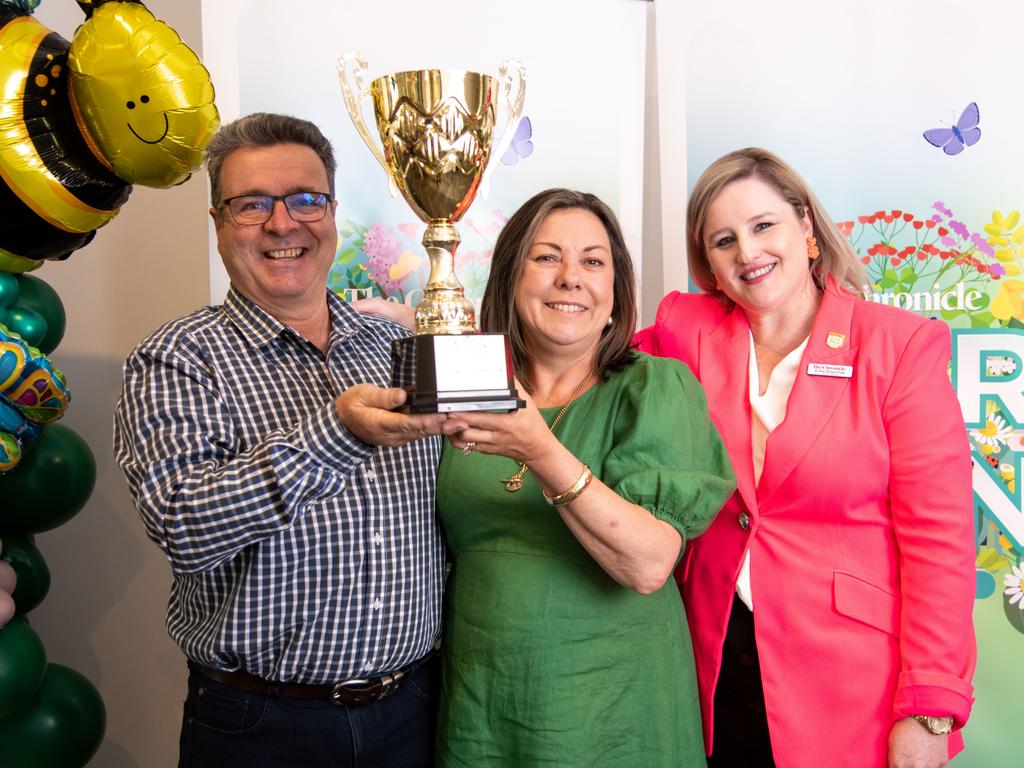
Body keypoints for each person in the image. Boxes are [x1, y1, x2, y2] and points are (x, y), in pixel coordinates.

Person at [113, 113, 463, 768]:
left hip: (414, 710)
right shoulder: (176, 358)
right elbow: (184, 527)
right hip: (262, 728)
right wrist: (336, 433)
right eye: (252, 205)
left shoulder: (397, 347)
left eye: (305, 200)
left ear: (330, 212)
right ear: (218, 223)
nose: (282, 224)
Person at [365, 188, 736, 766]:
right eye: (546, 257)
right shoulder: (467, 392)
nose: (571, 278)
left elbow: (648, 564)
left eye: (593, 261)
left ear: (616, 292)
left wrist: (541, 450)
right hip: (484, 704)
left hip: (616, 711)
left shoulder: (657, 388)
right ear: (512, 277)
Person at [635, 148, 976, 768]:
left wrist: (930, 711)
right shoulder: (684, 333)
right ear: (708, 266)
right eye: (723, 240)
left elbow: (940, 541)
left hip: (851, 686)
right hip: (713, 670)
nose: (748, 252)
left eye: (764, 226)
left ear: (807, 230)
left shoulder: (897, 347)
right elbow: (574, 353)